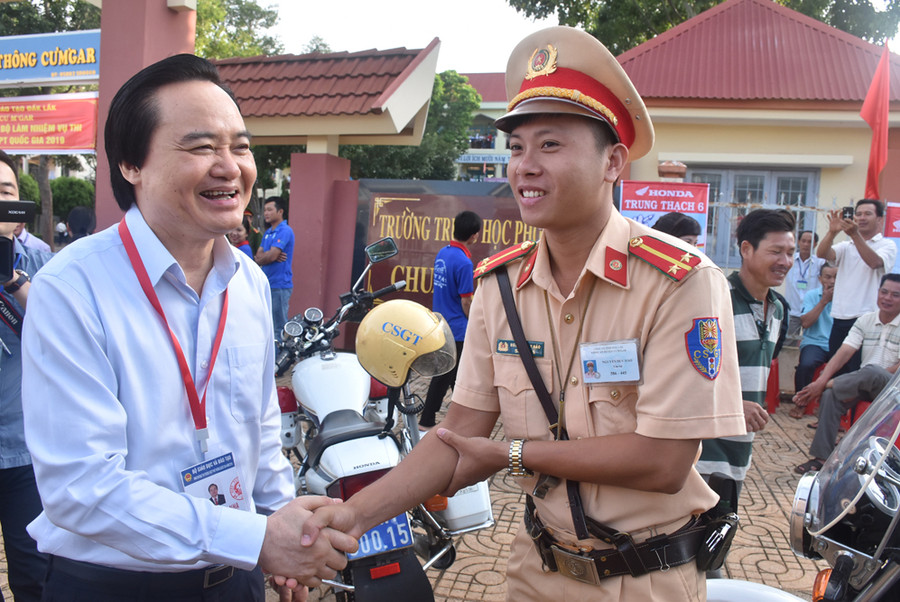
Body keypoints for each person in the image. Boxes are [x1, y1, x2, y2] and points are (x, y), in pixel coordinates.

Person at [302, 26, 745, 600]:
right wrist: (350, 518)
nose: (524, 166)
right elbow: (459, 434)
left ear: (613, 161)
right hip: (535, 569)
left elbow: (662, 461)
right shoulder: (500, 284)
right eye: (516, 148)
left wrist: (512, 454)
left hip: (647, 578)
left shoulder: (679, 281)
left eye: (550, 145)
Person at [21, 54, 355, 602]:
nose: (230, 166)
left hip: (235, 579)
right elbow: (80, 488)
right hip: (114, 586)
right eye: (201, 147)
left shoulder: (246, 280)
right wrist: (257, 539)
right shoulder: (73, 289)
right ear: (132, 164)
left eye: (240, 146)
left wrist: (284, 529)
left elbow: (261, 429)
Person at [696, 209, 793, 518]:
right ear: (746, 249)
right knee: (697, 538)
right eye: (776, 251)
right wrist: (734, 404)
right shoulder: (715, 300)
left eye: (790, 253)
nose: (785, 261)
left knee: (722, 533)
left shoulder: (777, 309)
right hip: (703, 451)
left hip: (741, 449)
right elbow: (687, 375)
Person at [0, 149, 52, 602]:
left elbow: (58, 331)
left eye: (5, 193)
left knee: (33, 569)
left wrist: (12, 281)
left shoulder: (37, 258)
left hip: (23, 445)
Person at [794, 273, 900, 474]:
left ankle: (825, 385)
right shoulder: (865, 320)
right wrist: (824, 378)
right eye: (884, 292)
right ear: (877, 293)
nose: (887, 298)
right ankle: (821, 458)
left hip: (893, 388)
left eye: (895, 295)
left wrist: (823, 381)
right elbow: (844, 352)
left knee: (872, 371)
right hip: (865, 384)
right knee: (831, 395)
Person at [817, 199, 897, 375]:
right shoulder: (846, 246)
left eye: (867, 214)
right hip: (840, 318)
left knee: (858, 373)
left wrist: (854, 235)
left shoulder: (887, 245)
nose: (861, 218)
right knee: (837, 372)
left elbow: (874, 262)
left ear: (880, 219)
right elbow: (822, 253)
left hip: (867, 319)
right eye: (858, 214)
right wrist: (831, 232)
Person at [419, 210, 482, 430]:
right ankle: (429, 421)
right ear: (474, 235)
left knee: (453, 375)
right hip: (458, 328)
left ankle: (437, 421)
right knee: (451, 375)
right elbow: (466, 301)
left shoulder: (442, 254)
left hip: (441, 325)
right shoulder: (464, 263)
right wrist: (474, 322)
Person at [789, 264, 837, 418]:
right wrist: (824, 301)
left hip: (838, 344)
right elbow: (806, 323)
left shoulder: (847, 298)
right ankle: (800, 403)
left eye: (836, 277)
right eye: (828, 277)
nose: (832, 281)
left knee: (847, 369)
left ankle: (828, 408)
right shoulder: (811, 295)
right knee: (806, 365)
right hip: (814, 342)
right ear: (820, 279)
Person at [256, 196, 294, 341]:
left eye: (270, 209)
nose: (266, 213)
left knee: (279, 327)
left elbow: (269, 257)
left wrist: (268, 256)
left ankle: (280, 361)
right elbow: (258, 256)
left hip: (280, 286)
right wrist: (269, 256)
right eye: (265, 210)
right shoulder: (268, 232)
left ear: (280, 212)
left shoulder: (285, 230)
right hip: (268, 284)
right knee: (268, 325)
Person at [785, 230, 826, 341]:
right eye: (803, 241)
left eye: (810, 241)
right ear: (798, 242)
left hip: (811, 311)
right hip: (793, 310)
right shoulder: (789, 260)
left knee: (810, 341)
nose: (806, 244)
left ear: (815, 244)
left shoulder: (820, 263)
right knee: (788, 344)